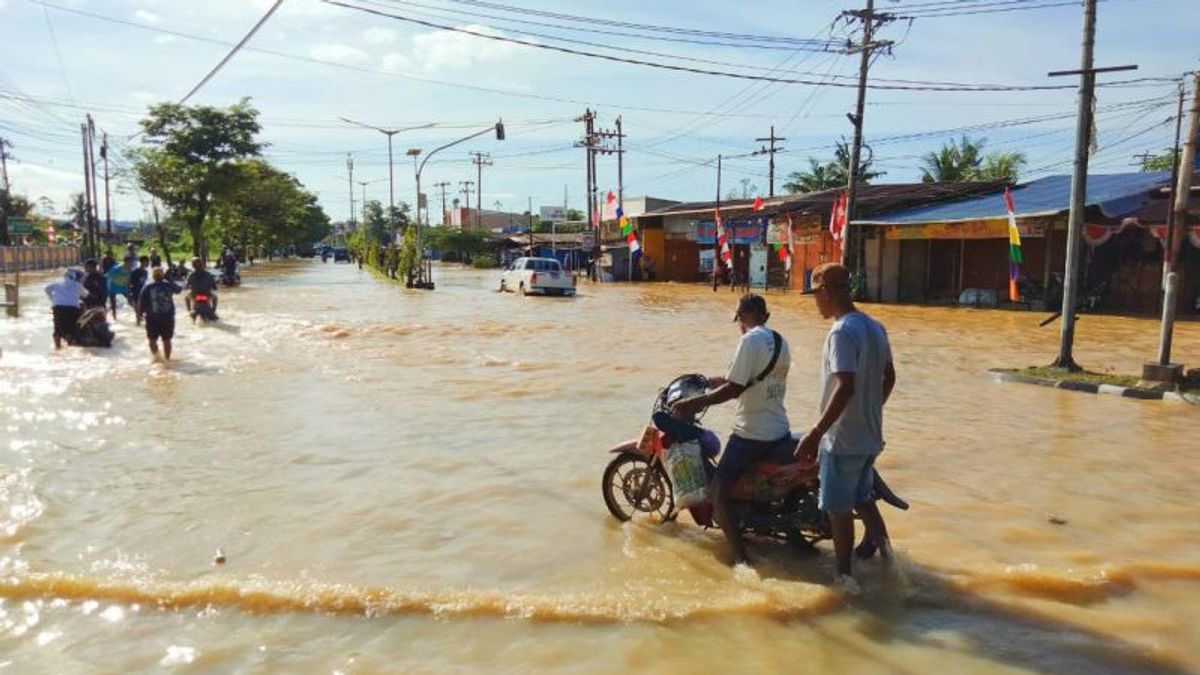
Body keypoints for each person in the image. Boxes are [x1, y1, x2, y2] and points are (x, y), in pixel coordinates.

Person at [793, 262, 896, 594]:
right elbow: (890, 376)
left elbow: (845, 385)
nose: (814, 304)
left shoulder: (840, 332)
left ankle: (844, 577)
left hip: (843, 438)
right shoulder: (875, 326)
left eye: (815, 295)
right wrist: (872, 410)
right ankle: (888, 557)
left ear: (826, 292)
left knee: (839, 508)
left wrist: (816, 432)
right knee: (863, 497)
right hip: (869, 434)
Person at [671, 294, 790, 565]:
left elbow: (735, 389)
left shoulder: (749, 340)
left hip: (752, 433)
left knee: (715, 493)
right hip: (779, 427)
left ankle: (740, 558)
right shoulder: (781, 342)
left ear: (743, 316)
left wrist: (693, 403)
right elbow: (747, 378)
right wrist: (706, 381)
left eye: (738, 318)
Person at [138, 266, 182, 361]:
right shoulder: (168, 285)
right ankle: (167, 359)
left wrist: (140, 314)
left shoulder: (147, 287)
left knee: (152, 340)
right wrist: (169, 280)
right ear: (163, 275)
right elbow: (179, 290)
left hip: (152, 318)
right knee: (167, 340)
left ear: (153, 276)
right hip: (168, 317)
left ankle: (157, 358)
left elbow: (141, 302)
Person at [44, 269, 88, 349]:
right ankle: (70, 344)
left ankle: (57, 347)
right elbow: (86, 294)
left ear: (65, 277)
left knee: (57, 328)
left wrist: (53, 299)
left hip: (58, 308)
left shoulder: (57, 284)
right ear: (74, 277)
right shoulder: (77, 285)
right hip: (73, 309)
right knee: (71, 328)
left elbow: (46, 289)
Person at [104, 256, 134, 320]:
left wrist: (129, 289)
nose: (131, 264)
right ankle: (114, 316)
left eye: (132, 263)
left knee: (131, 300)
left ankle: (139, 314)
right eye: (130, 263)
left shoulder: (131, 270)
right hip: (112, 286)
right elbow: (106, 276)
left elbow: (129, 280)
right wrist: (105, 288)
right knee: (113, 303)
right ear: (125, 262)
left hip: (123, 287)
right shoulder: (117, 269)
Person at [129, 255, 151, 325]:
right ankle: (138, 324)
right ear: (142, 262)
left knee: (144, 310)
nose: (148, 263)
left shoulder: (146, 272)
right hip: (135, 292)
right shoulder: (135, 272)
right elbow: (129, 283)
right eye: (147, 262)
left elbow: (144, 283)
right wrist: (128, 293)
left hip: (143, 292)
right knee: (138, 312)